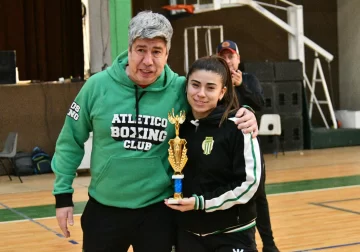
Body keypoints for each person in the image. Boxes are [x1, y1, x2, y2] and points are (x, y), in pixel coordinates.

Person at [52, 11, 259, 252]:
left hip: (157, 212)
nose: (148, 61)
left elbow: (213, 107)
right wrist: (63, 196)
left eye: (156, 51)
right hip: (104, 210)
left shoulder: (180, 89)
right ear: (129, 49)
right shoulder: (97, 86)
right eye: (141, 50)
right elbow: (70, 141)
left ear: (167, 54)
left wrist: (245, 111)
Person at [165, 56, 262, 252]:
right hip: (189, 234)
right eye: (195, 85)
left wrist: (201, 203)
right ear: (186, 87)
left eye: (210, 87)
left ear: (222, 92)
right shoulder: (179, 128)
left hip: (232, 234)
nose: (201, 94)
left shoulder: (239, 125)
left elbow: (249, 184)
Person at [217, 40, 280, 252]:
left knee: (259, 196)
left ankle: (269, 245)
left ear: (238, 58)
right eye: (223, 56)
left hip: (250, 147)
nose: (227, 60)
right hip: (224, 149)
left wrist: (242, 84)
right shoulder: (215, 82)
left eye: (230, 56)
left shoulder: (250, 79)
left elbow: (259, 104)